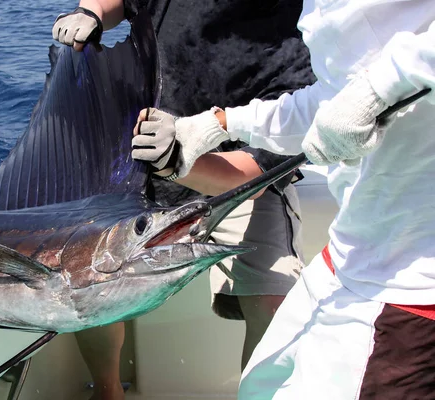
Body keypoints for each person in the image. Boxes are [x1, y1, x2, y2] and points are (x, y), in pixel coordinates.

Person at [132, 1, 435, 398]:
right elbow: (328, 101)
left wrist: (377, 89)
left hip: (410, 288)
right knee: (263, 386)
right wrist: (218, 125)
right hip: (350, 254)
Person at [52, 1, 314, 399]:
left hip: (233, 179)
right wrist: (91, 13)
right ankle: (107, 391)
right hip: (140, 162)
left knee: (276, 295)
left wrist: (180, 161)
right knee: (88, 274)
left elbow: (256, 171)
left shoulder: (298, 44)